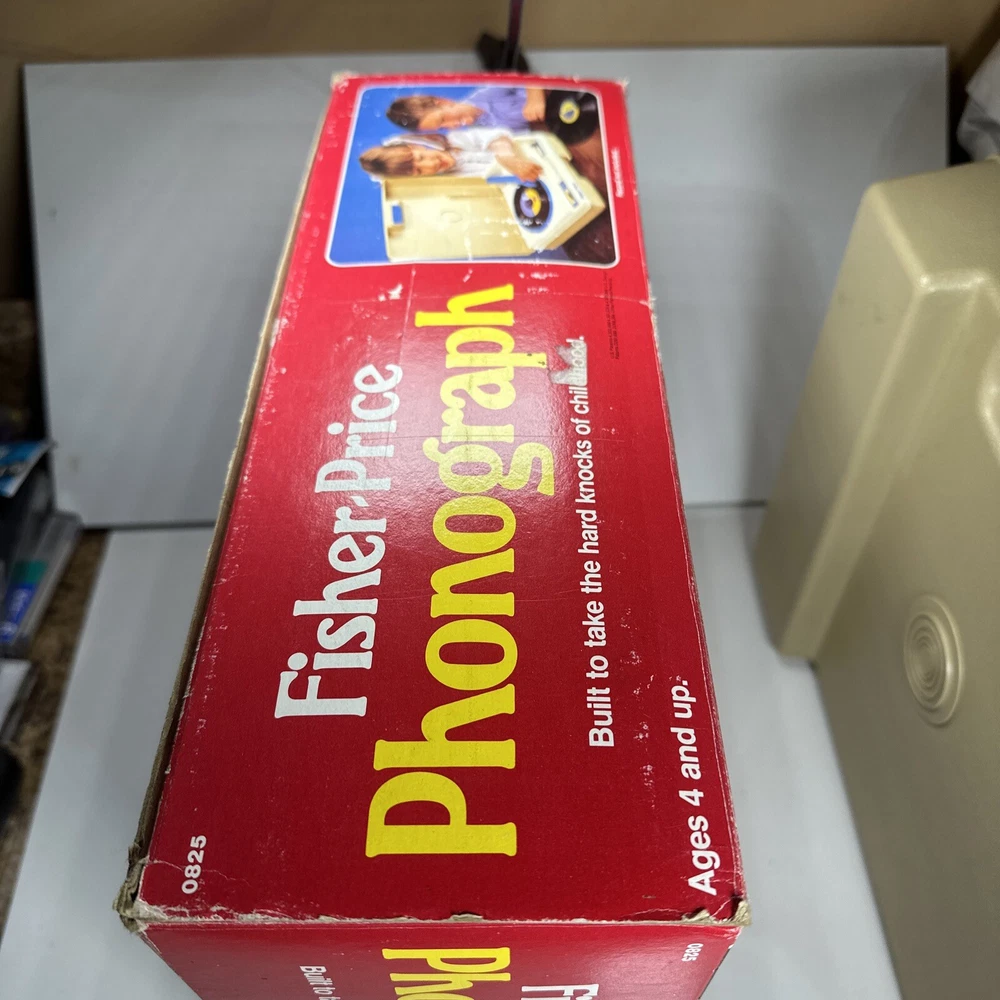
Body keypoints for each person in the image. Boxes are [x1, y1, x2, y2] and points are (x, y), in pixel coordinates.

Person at [359, 127, 542, 182]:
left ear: (416, 146)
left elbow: (496, 136)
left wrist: (507, 158)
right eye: (418, 171)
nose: (431, 165)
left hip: (537, 154)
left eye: (421, 158)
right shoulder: (452, 181)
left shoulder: (454, 141)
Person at [386, 87, 547, 132]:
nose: (451, 126)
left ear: (443, 102)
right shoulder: (480, 130)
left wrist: (535, 97)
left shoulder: (487, 93)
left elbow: (529, 74)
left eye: (443, 119)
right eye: (442, 127)